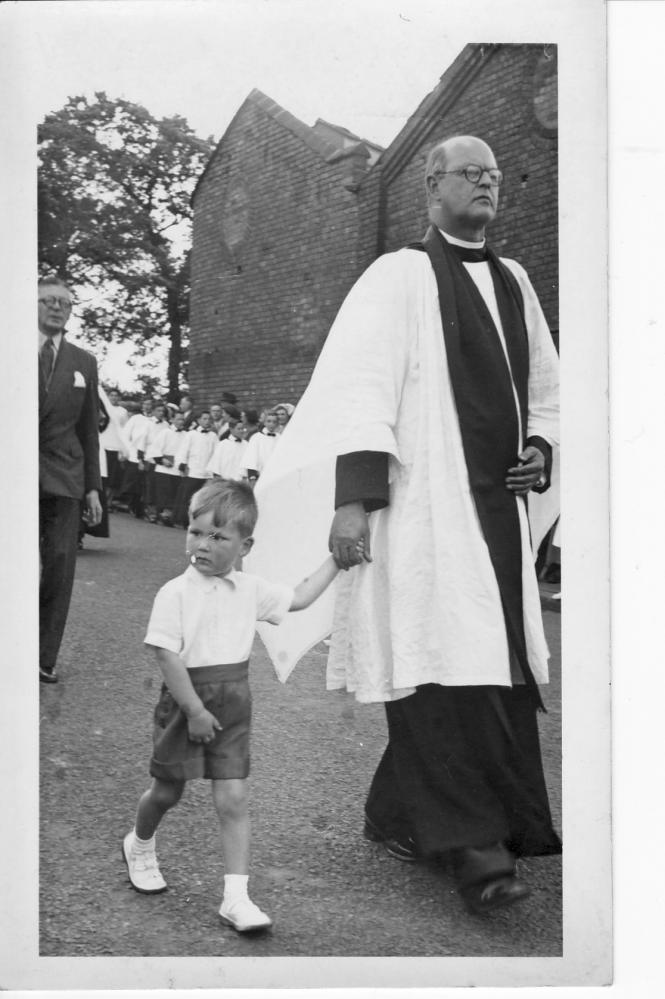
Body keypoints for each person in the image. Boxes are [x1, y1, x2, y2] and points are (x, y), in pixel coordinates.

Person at [247, 135, 561, 915]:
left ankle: (398, 815)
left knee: (490, 667)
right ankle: (476, 852)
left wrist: (540, 448)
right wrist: (352, 498)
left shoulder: (516, 281)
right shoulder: (399, 275)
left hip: (496, 515)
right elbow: (360, 386)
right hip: (423, 507)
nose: (487, 183)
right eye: (470, 173)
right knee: (437, 665)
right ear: (430, 186)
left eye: (494, 174)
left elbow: (547, 391)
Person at [122, 479, 348, 933]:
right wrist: (194, 712)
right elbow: (166, 655)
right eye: (195, 532)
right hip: (188, 701)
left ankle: (236, 897)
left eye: (218, 537)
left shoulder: (250, 589)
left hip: (233, 704)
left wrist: (337, 560)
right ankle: (140, 843)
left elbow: (300, 597)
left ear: (245, 545)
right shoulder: (174, 593)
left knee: (234, 799)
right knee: (167, 792)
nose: (202, 545)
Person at [38, 276, 102, 683]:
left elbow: (89, 430)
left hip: (65, 475)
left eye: (64, 302)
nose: (57, 308)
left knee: (61, 564)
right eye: (48, 300)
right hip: (16, 474)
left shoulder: (83, 361)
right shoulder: (10, 348)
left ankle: (44, 655)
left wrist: (94, 487)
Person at [172, 410, 217, 527]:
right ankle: (180, 520)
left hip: (206, 473)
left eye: (209, 419)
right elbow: (183, 451)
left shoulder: (213, 436)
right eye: (204, 419)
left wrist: (212, 471)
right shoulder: (191, 434)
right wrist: (182, 465)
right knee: (186, 497)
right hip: (192, 471)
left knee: (201, 501)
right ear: (198, 420)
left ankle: (196, 524)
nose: (207, 421)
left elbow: (215, 454)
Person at [150, 411, 187, 526]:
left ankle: (167, 515)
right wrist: (162, 460)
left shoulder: (186, 435)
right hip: (164, 468)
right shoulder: (165, 432)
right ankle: (159, 514)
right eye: (179, 419)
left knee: (174, 493)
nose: (181, 422)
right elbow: (155, 448)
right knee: (163, 492)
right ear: (172, 420)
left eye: (183, 419)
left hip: (177, 469)